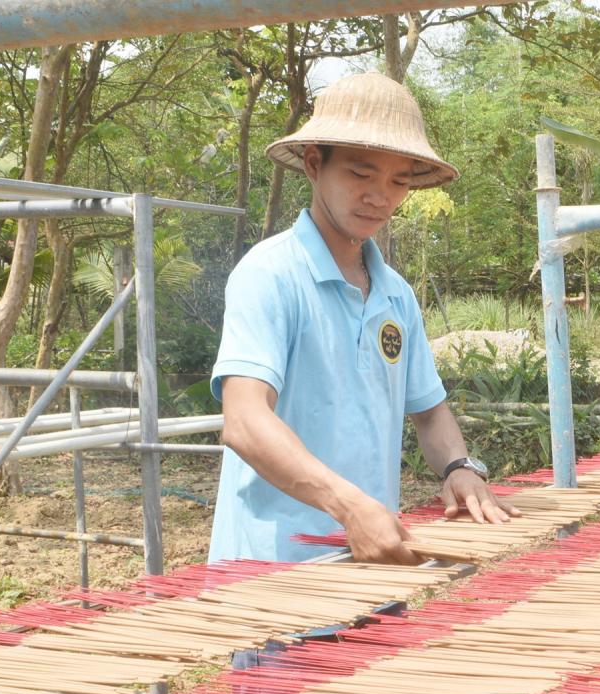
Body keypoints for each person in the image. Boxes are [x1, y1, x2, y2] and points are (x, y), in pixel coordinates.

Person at [208, 72, 517, 566]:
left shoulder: (396, 295)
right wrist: (349, 507)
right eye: (360, 174)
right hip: (273, 576)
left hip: (371, 563)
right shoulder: (270, 275)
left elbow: (430, 410)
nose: (381, 196)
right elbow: (245, 420)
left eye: (398, 181)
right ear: (314, 164)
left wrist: (459, 468)